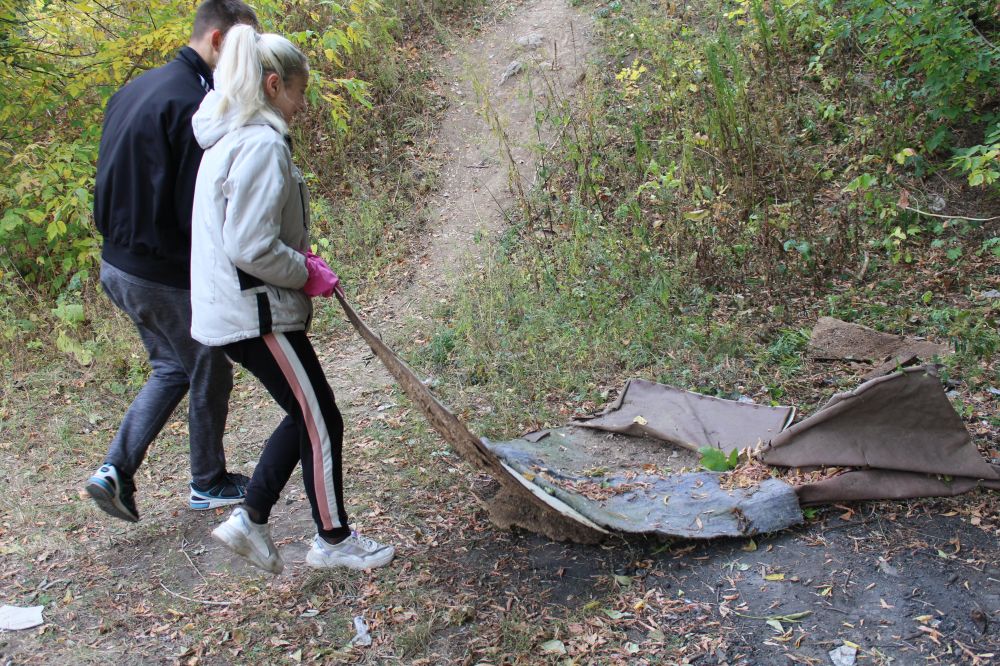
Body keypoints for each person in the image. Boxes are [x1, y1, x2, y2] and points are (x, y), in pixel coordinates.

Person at [189, 25, 395, 573]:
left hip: (242, 307)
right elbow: (250, 243)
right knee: (321, 417)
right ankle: (333, 539)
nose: (303, 106)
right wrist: (303, 271)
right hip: (254, 310)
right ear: (275, 85)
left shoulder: (233, 135)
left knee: (307, 413)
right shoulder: (259, 143)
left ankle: (251, 518)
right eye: (300, 93)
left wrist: (300, 263)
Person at [86, 0, 260, 523]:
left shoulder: (141, 86)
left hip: (116, 264)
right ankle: (208, 482)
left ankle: (113, 472)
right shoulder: (192, 105)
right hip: (157, 270)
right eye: (242, 48)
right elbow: (197, 208)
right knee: (210, 364)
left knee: (171, 366)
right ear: (216, 42)